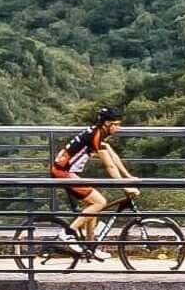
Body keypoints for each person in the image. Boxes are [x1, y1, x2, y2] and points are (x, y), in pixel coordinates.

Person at [49, 107, 136, 255]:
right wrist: (126, 187)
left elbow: (113, 156)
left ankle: (91, 246)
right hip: (63, 172)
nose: (118, 127)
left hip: (69, 172)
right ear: (107, 123)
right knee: (99, 202)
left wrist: (128, 177)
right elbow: (109, 165)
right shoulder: (95, 136)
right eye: (116, 124)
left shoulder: (97, 133)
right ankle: (67, 234)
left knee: (93, 206)